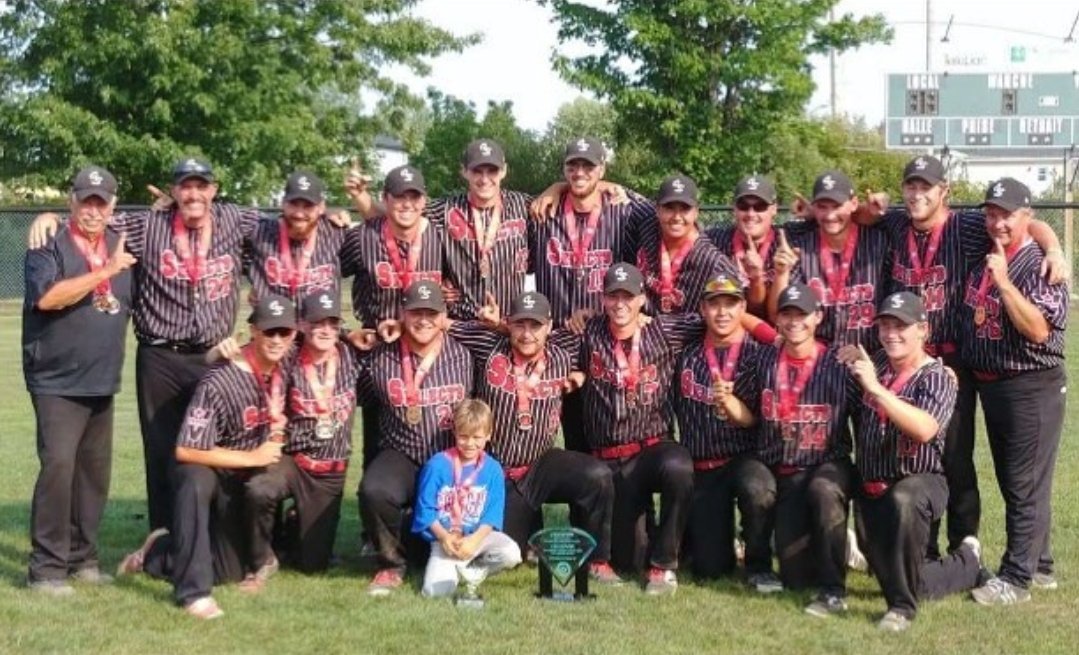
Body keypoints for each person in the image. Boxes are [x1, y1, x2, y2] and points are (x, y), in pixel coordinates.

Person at [872, 155, 1066, 558]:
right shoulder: (894, 222)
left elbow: (1026, 222)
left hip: (954, 364)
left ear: (946, 192)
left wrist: (1055, 248)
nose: (918, 194)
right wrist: (866, 205)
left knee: (957, 458)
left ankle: (965, 545)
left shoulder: (969, 225)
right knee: (915, 456)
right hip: (904, 362)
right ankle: (917, 544)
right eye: (911, 186)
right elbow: (858, 214)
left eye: (927, 187)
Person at [117, 294, 297, 620]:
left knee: (228, 572)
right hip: (206, 466)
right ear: (253, 331)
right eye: (269, 331)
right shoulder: (221, 379)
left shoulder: (286, 365)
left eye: (284, 332)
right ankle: (193, 594)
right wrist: (254, 457)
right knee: (193, 478)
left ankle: (157, 552)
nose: (276, 339)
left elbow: (325, 338)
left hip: (240, 479)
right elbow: (186, 449)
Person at [447, 291, 620, 583]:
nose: (527, 334)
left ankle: (598, 561)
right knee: (508, 551)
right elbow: (445, 324)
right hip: (498, 471)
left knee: (598, 476)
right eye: (520, 325)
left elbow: (604, 340)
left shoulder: (564, 350)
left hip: (541, 464)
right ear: (509, 324)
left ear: (549, 326)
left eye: (535, 326)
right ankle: (526, 539)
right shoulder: (488, 345)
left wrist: (581, 375)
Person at [22, 166, 136, 595]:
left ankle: (82, 558)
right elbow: (48, 298)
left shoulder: (119, 243)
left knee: (93, 475)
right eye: (85, 200)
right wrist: (104, 271)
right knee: (58, 470)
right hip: (55, 380)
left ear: (112, 206)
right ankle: (46, 570)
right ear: (71, 201)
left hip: (102, 380)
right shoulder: (47, 241)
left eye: (100, 201)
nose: (93, 209)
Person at [840, 291, 981, 632]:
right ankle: (920, 568)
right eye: (885, 325)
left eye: (901, 326)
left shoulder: (936, 376)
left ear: (923, 330)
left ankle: (912, 601)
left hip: (918, 485)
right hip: (874, 491)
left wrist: (875, 389)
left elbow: (924, 428)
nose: (891, 333)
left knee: (906, 581)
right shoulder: (877, 367)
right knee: (895, 574)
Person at [960, 179, 1068, 605]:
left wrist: (1005, 284)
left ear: (1027, 216)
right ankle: (1040, 564)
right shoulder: (990, 250)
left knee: (1024, 483)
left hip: (1030, 384)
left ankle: (1017, 578)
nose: (997, 222)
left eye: (1006, 214)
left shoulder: (1039, 263)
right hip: (995, 384)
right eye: (991, 213)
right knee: (1016, 481)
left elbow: (1039, 329)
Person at [575, 263, 698, 595]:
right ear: (602, 299)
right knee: (629, 560)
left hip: (650, 449)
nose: (620, 304)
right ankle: (634, 548)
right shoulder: (588, 332)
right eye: (613, 295)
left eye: (627, 296)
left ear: (642, 299)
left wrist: (772, 336)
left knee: (679, 466)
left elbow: (721, 318)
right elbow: (539, 337)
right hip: (611, 459)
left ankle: (664, 567)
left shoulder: (664, 330)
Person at [529, 137, 654, 453]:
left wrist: (609, 184)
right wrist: (554, 189)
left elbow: (665, 212)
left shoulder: (622, 211)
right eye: (573, 165)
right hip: (561, 341)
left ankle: (630, 502)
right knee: (575, 439)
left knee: (616, 432)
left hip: (608, 340)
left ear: (602, 169)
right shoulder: (546, 213)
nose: (580, 172)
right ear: (564, 169)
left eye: (589, 165)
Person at [357, 280, 474, 596]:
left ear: (443, 316)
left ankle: (426, 548)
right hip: (403, 451)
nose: (423, 320)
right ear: (402, 314)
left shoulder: (464, 356)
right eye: (415, 312)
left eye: (431, 313)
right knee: (374, 489)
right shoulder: (380, 359)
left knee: (435, 546)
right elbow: (355, 393)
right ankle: (391, 564)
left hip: (448, 456)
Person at [749, 282, 858, 617]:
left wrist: (937, 366)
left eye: (803, 315)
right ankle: (838, 542)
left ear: (817, 318)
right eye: (787, 314)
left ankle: (833, 591)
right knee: (795, 578)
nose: (795, 321)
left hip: (827, 464)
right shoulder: (763, 359)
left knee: (824, 491)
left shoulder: (840, 363)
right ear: (778, 320)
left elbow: (881, 384)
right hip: (785, 471)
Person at [243, 293, 364, 588]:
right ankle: (262, 557)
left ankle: (294, 524)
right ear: (302, 325)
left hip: (330, 471)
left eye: (332, 323)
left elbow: (383, 344)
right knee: (260, 490)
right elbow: (253, 355)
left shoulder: (352, 355)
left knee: (313, 566)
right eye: (316, 322)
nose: (324, 330)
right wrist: (230, 348)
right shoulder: (288, 358)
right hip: (293, 461)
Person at [673, 273, 779, 592]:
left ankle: (759, 564)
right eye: (714, 305)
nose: (722, 313)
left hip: (745, 455)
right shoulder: (686, 354)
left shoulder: (759, 356)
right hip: (704, 463)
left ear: (743, 308)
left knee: (758, 488)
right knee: (710, 569)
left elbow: (750, 420)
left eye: (730, 305)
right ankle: (714, 545)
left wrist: (730, 403)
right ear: (702, 309)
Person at [340, 165, 446, 472]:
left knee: (431, 439)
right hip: (379, 349)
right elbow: (320, 276)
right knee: (376, 446)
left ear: (424, 201)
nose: (407, 204)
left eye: (414, 197)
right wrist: (345, 331)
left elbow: (457, 290)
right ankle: (378, 513)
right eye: (399, 197)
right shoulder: (363, 237)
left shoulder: (440, 238)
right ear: (385, 199)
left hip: (429, 351)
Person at [769, 170, 891, 352]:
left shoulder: (880, 242)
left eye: (836, 206)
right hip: (818, 360)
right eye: (822, 207)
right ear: (813, 207)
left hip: (871, 355)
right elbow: (777, 314)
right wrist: (781, 273)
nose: (830, 215)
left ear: (854, 204)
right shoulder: (800, 247)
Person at [412, 399, 522, 597]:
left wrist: (474, 540)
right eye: (463, 436)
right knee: (434, 593)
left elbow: (492, 514)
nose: (469, 443)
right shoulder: (436, 466)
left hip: (478, 537)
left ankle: (470, 570)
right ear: (454, 432)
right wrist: (444, 537)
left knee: (512, 554)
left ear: (488, 435)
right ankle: (452, 568)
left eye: (476, 437)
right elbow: (425, 510)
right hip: (445, 541)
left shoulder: (493, 470)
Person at [635, 174, 743, 316]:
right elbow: (630, 200)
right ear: (657, 209)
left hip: (687, 336)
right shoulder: (648, 228)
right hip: (642, 330)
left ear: (696, 212)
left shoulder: (713, 263)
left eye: (685, 208)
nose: (677, 217)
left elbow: (737, 314)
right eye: (669, 207)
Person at [245, 171, 349, 314]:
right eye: (293, 204)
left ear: (321, 207)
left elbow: (383, 226)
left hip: (319, 332)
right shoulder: (259, 230)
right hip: (275, 332)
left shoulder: (338, 234)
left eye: (308, 206)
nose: (299, 213)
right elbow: (219, 214)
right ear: (283, 203)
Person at [707, 175, 800, 317]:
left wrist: (813, 214)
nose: (751, 214)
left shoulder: (789, 242)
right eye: (743, 206)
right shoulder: (714, 240)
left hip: (778, 329)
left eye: (760, 207)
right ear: (734, 208)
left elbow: (832, 223)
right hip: (728, 326)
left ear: (774, 209)